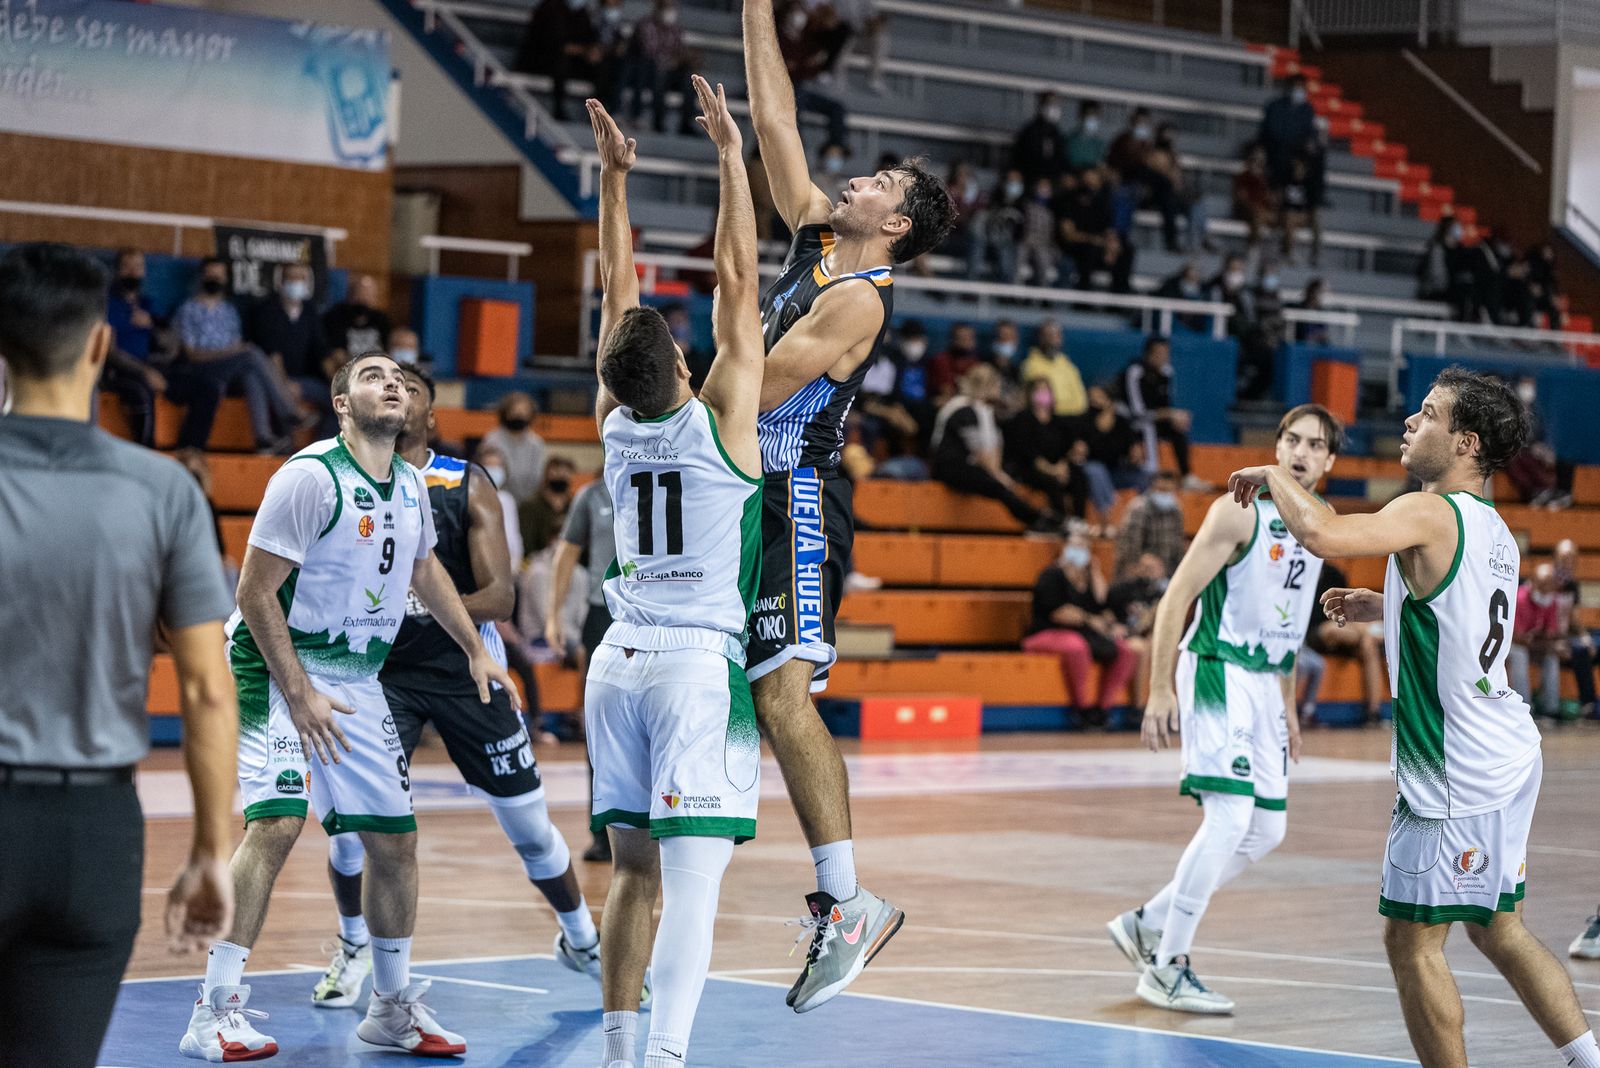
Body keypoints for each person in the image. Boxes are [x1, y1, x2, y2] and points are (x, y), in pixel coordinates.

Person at [1226, 370, 1600, 1067]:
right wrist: (1384, 604)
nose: (1408, 422)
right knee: (1498, 928)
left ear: (1464, 442)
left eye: (1427, 415)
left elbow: (1323, 533)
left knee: (1412, 942)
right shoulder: (1493, 528)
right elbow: (1457, 612)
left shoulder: (1429, 512)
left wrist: (1276, 475)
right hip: (1508, 749)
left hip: (1454, 769)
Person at [179, 351, 519, 1060]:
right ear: (341, 404)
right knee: (275, 826)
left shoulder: (412, 487)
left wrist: (474, 648)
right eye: (371, 375)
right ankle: (212, 1011)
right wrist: (299, 694)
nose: (391, 382)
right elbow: (253, 593)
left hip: (357, 677)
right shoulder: (309, 478)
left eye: (398, 377)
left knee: (394, 843)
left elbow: (426, 570)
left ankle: (391, 1008)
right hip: (273, 666)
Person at [743, 0, 954, 1012]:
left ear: (896, 222)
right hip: (744, 493)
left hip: (792, 498)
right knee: (739, 685)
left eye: (876, 181)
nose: (854, 178)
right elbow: (775, 124)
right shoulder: (816, 240)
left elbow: (755, 389)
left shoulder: (859, 299)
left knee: (783, 693)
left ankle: (846, 900)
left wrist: (656, 415)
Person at [0, 243, 237, 1067]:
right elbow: (208, 690)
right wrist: (212, 849)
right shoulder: (165, 491)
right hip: (92, 838)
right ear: (102, 344)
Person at [307, 362, 603, 1011]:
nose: (395, 392)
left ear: (431, 416)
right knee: (352, 833)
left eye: (409, 387)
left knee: (529, 827)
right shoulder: (334, 480)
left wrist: (419, 607)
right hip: (375, 675)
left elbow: (499, 595)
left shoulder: (463, 482)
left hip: (465, 666)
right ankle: (356, 946)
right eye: (383, 384)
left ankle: (581, 938)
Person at [581, 79, 767, 1068]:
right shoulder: (719, 422)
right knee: (693, 890)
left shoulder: (612, 425)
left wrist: (614, 181)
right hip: (695, 666)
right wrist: (730, 156)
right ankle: (663, 1060)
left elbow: (615, 298)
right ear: (686, 368)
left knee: (630, 879)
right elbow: (739, 277)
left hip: (614, 663)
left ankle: (620, 1053)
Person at [1107, 404, 1341, 1014]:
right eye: (1291, 439)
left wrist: (1288, 706)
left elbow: (1286, 625)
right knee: (1231, 818)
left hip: (1266, 682)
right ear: (1278, 446)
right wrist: (1160, 687)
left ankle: (1147, 922)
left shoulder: (1322, 523)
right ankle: (1167, 966)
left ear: (1330, 461)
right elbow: (1177, 595)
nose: (1300, 451)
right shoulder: (1237, 510)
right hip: (1216, 665)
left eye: (1315, 445)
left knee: (1268, 828)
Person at [548, 474, 617, 861]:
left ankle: (662, 824)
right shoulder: (591, 495)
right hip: (603, 614)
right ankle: (601, 832)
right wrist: (553, 616)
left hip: (655, 612)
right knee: (600, 724)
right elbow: (567, 552)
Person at [172, 257, 302, 453]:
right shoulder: (188, 310)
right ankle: (289, 411)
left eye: (219, 275)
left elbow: (235, 345)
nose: (215, 279)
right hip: (202, 370)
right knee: (250, 354)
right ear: (202, 277)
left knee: (251, 372)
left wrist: (234, 352)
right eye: (211, 274)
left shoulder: (229, 311)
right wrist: (229, 353)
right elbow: (192, 355)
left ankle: (263, 439)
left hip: (231, 372)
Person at [1023, 532, 1141, 728]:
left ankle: (1102, 709)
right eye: (1074, 546)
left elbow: (1103, 602)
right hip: (1047, 632)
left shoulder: (1089, 579)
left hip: (1084, 634)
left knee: (1125, 651)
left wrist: (1094, 571)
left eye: (1083, 547)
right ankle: (1081, 708)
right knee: (1076, 648)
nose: (1078, 551)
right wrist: (1089, 619)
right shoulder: (1052, 575)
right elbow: (1058, 612)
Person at [932, 364, 1059, 533]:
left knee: (1002, 480)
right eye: (997, 385)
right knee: (997, 486)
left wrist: (999, 473)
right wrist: (999, 476)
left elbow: (993, 447)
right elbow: (981, 452)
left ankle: (1039, 517)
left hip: (969, 463)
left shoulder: (983, 410)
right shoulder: (963, 409)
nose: (1000, 389)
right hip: (950, 467)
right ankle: (1036, 518)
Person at [249, 262, 336, 437]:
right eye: (291, 277)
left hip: (306, 381)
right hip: (276, 378)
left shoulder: (310, 312)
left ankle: (320, 451)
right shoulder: (267, 311)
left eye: (301, 278)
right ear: (280, 282)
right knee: (279, 395)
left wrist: (338, 385)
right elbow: (273, 354)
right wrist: (284, 384)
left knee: (340, 403)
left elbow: (322, 352)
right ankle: (284, 448)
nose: (297, 282)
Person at [1298, 561, 1386, 726]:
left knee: (1368, 644)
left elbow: (1345, 608)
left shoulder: (1334, 573)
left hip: (1344, 629)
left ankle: (1373, 713)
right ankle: (1371, 631)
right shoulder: (1302, 569)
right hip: (1316, 631)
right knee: (1335, 630)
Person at [101, 247, 169, 447]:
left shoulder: (149, 305)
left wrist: (153, 326)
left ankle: (190, 453)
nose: (132, 272)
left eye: (137, 267)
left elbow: (171, 347)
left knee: (205, 385)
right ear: (117, 270)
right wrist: (145, 371)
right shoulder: (108, 304)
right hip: (119, 371)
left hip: (153, 364)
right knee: (142, 390)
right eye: (126, 267)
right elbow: (110, 352)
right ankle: (148, 450)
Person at [1116, 335, 1202, 489]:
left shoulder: (1166, 372)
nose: (1164, 357)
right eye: (1159, 353)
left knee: (1178, 428)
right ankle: (1151, 474)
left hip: (1154, 418)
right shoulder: (1135, 372)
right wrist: (1169, 414)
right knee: (1148, 427)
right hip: (1130, 420)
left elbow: (1165, 404)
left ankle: (1186, 476)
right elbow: (1137, 411)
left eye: (1166, 353)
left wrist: (1173, 417)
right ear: (1149, 354)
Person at [1005, 377, 1087, 519]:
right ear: (1030, 393)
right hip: (1032, 468)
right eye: (1038, 390)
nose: (1043, 393)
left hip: (1057, 466)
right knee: (1051, 480)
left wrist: (1063, 466)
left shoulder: (1058, 421)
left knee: (1078, 475)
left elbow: (1066, 449)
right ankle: (1060, 520)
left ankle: (1079, 520)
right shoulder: (1023, 419)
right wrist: (1052, 470)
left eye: (1046, 390)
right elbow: (1027, 452)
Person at [513, 0, 605, 122]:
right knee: (561, 62)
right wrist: (583, 51)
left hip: (572, 60)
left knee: (601, 65)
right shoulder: (550, 7)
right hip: (540, 59)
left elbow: (588, 39)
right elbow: (557, 44)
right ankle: (559, 109)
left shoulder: (582, 13)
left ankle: (599, 113)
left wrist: (593, 50)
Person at [622, 0, 696, 135]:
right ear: (658, 8)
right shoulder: (646, 25)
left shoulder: (676, 28)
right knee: (658, 72)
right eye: (667, 7)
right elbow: (648, 52)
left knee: (689, 78)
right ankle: (658, 120)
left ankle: (686, 123)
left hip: (670, 70)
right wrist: (667, 62)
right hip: (647, 71)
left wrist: (678, 61)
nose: (670, 11)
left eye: (673, 7)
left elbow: (682, 53)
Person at [1508, 562, 1564, 717]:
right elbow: (1517, 637)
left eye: (1549, 586)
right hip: (1511, 645)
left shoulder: (1551, 601)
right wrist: (1540, 641)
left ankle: (1550, 710)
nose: (1546, 591)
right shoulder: (1519, 598)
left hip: (1533, 645)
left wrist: (1544, 643)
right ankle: (1525, 708)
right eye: (1542, 586)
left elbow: (1551, 634)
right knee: (1520, 654)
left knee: (1552, 657)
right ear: (1533, 583)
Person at [1112, 469, 1185, 580]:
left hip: (1167, 571)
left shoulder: (1176, 510)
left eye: (1169, 491)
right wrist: (1143, 567)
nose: (1166, 494)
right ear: (1153, 487)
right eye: (1162, 490)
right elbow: (1129, 547)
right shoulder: (1139, 509)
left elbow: (1178, 545)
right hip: (1140, 570)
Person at [483, 391, 549, 505]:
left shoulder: (536, 443)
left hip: (527, 502)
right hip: (499, 500)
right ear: (506, 413)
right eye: (515, 411)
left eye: (523, 412)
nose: (519, 415)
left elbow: (537, 477)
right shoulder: (492, 440)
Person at [323, 273, 392, 369]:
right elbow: (336, 354)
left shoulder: (381, 320)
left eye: (368, 297)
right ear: (350, 296)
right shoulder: (335, 317)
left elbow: (388, 351)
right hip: (347, 369)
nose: (363, 301)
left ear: (375, 298)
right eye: (359, 296)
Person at [518, 454, 577, 555]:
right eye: (556, 472)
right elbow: (526, 544)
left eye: (565, 473)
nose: (561, 476)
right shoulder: (529, 507)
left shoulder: (575, 506)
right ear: (546, 475)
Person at [1011, 90, 1067, 186]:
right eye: (1050, 104)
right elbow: (1019, 158)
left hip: (1051, 184)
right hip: (1030, 181)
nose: (1053, 108)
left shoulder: (1057, 134)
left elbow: (1061, 159)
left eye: (1056, 105)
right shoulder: (1029, 132)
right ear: (1041, 106)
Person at [1065, 100, 1106, 173]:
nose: (1092, 119)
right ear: (1080, 115)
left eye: (1095, 116)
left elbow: (1102, 164)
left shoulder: (1100, 144)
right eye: (1089, 115)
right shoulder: (1069, 141)